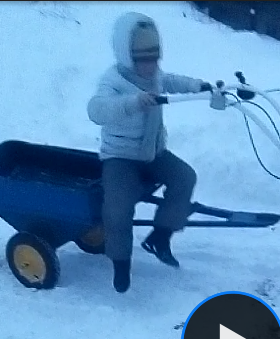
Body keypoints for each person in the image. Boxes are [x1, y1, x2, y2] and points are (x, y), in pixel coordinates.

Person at [87, 11, 212, 293]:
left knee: (185, 177)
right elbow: (96, 109)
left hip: (153, 152)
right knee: (118, 210)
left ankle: (160, 235)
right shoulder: (113, 81)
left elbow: (172, 81)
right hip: (121, 158)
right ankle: (120, 264)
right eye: (143, 59)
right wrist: (132, 103)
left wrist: (198, 86)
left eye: (154, 58)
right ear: (127, 55)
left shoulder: (155, 74)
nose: (150, 65)